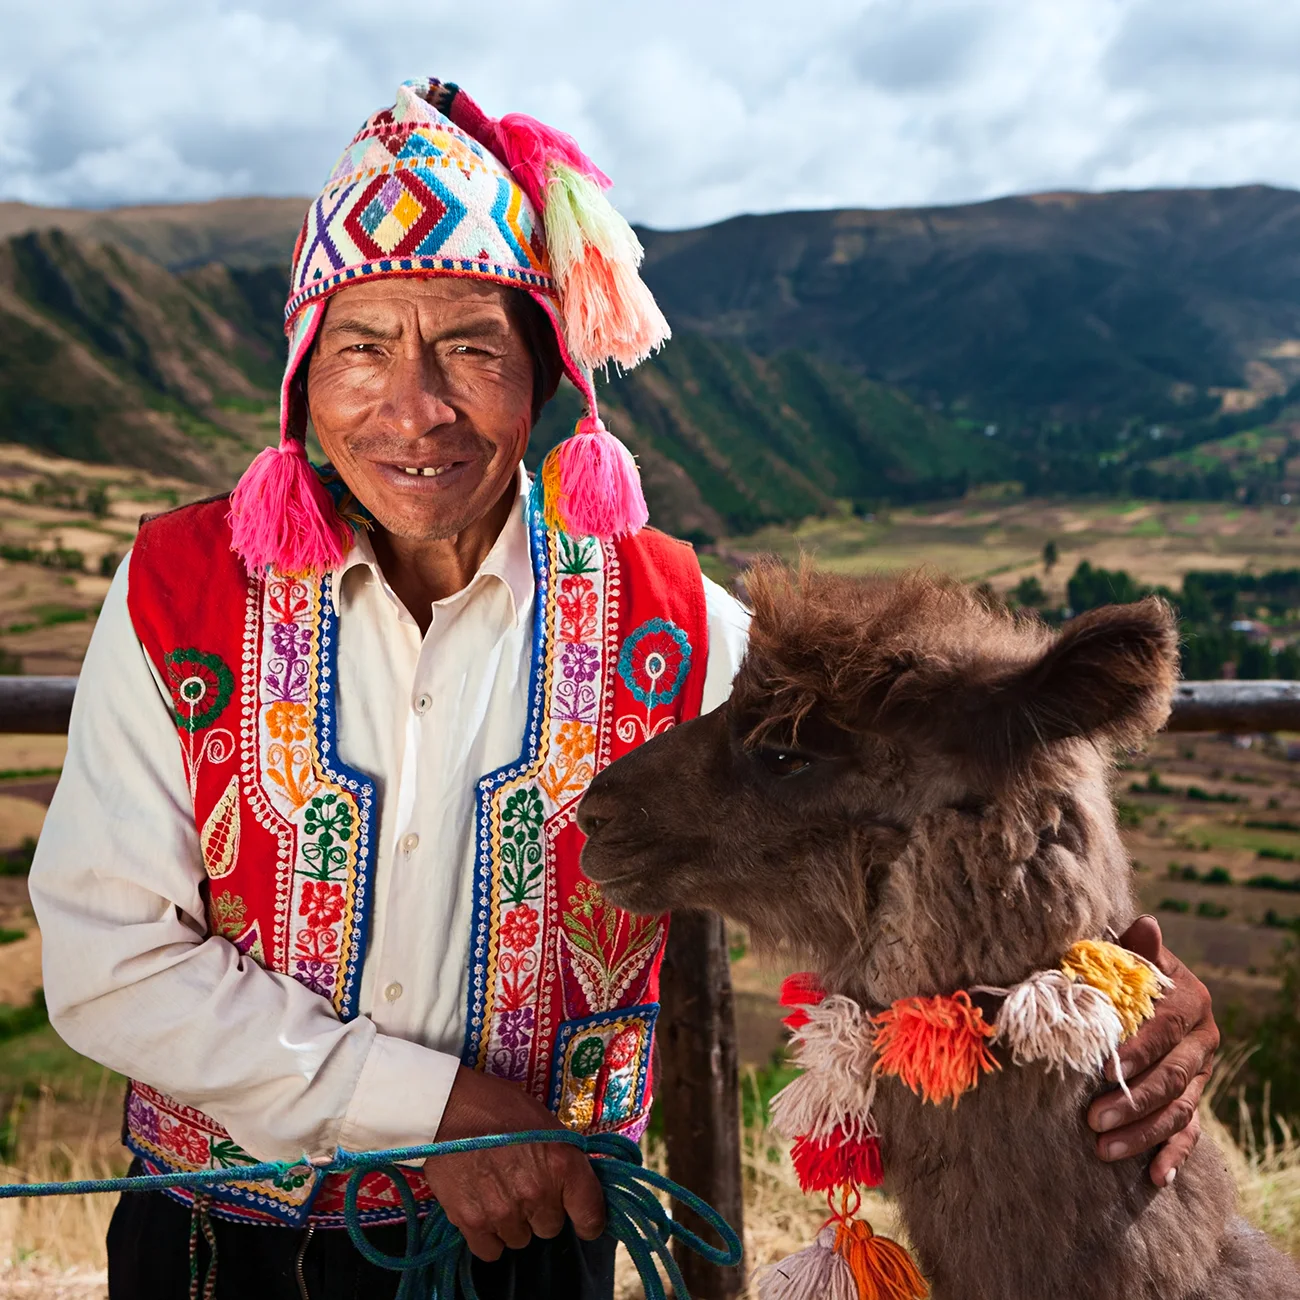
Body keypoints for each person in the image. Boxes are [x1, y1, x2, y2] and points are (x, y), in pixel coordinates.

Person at [29, 77, 1219, 1300]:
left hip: (530, 1254)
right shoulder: (183, 592)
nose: (415, 408)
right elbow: (107, 955)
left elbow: (909, 775)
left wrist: (1141, 989)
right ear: (302, 378)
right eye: (363, 348)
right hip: (217, 1256)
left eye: (471, 347)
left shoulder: (671, 621)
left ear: (543, 375)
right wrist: (428, 1107)